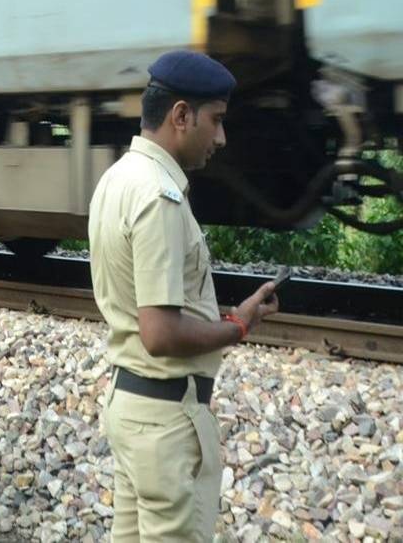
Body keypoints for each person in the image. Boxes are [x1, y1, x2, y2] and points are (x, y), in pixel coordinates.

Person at [89, 50, 280, 542]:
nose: (220, 138)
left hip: (131, 407)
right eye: (215, 121)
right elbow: (160, 332)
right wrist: (237, 328)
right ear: (180, 116)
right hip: (166, 424)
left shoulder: (118, 179)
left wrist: (228, 314)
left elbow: (151, 306)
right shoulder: (160, 197)